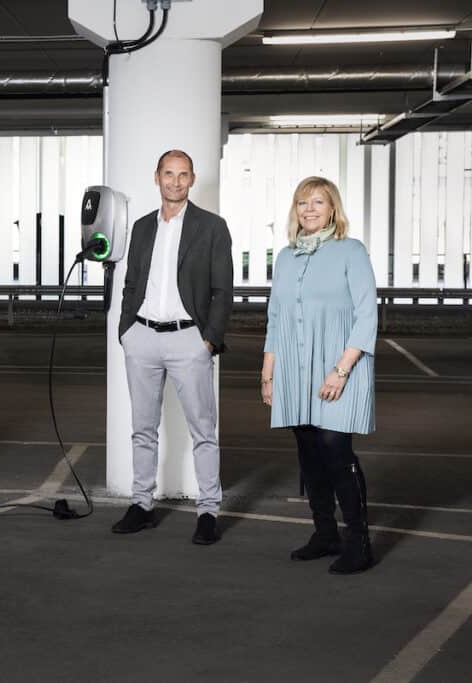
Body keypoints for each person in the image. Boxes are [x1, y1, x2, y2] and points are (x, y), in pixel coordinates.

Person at [111, 149, 234, 545]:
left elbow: (223, 291)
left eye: (183, 175)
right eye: (169, 173)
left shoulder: (212, 227)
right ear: (157, 177)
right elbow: (131, 283)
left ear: (192, 180)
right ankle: (141, 505)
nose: (176, 181)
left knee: (204, 430)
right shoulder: (143, 227)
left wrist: (208, 340)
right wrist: (126, 330)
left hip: (189, 339)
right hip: (142, 337)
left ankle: (208, 512)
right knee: (142, 429)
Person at [262, 176, 377, 574]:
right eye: (302, 203)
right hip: (295, 368)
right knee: (309, 451)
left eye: (318, 202)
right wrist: (268, 371)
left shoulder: (351, 251)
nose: (309, 209)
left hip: (338, 366)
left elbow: (366, 315)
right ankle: (325, 533)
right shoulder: (286, 257)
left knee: (335, 448)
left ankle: (359, 542)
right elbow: (276, 316)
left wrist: (341, 370)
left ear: (333, 209)